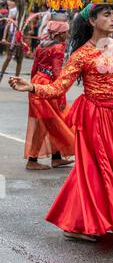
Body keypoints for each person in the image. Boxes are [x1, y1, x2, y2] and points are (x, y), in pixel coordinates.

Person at [10, 3, 113, 247]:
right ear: (92, 21)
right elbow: (58, 88)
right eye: (106, 15)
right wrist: (31, 86)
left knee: (91, 170)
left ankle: (74, 224)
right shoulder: (82, 55)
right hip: (93, 117)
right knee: (108, 169)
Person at [24, 20, 75, 170]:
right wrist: (62, 97)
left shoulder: (41, 46)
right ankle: (32, 160)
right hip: (47, 86)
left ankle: (56, 157)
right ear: (60, 34)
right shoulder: (58, 48)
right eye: (66, 31)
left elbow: (34, 68)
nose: (68, 34)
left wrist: (31, 86)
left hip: (37, 83)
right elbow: (58, 73)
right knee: (46, 123)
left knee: (52, 121)